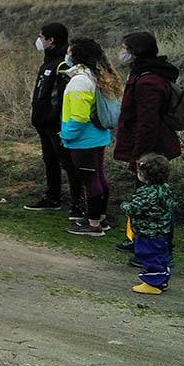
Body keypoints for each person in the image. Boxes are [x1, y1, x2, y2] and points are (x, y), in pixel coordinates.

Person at [112, 31, 183, 251]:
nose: (121, 52)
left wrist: (139, 157)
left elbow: (147, 123)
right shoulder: (146, 75)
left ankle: (155, 247)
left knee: (152, 201)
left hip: (150, 151)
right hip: (152, 148)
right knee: (149, 198)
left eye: (125, 48)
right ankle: (141, 241)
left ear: (136, 52)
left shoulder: (147, 82)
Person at [59, 38, 122, 236]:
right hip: (99, 136)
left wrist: (66, 135)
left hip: (84, 138)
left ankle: (93, 224)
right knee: (99, 177)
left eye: (69, 52)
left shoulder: (80, 81)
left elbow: (78, 115)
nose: (67, 55)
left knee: (90, 180)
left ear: (77, 56)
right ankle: (100, 218)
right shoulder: (98, 75)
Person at [25, 22, 83, 216]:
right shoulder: (48, 61)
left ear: (51, 40)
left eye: (42, 37)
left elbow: (62, 97)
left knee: (67, 163)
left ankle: (78, 204)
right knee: (49, 160)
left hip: (56, 125)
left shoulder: (63, 64)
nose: (39, 41)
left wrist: (52, 119)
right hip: (42, 123)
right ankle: (52, 197)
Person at [120, 153, 177, 294]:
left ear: (144, 175)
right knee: (160, 256)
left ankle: (153, 283)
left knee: (148, 255)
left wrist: (124, 206)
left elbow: (134, 208)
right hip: (161, 231)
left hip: (147, 231)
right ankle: (162, 280)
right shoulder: (166, 189)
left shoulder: (146, 193)